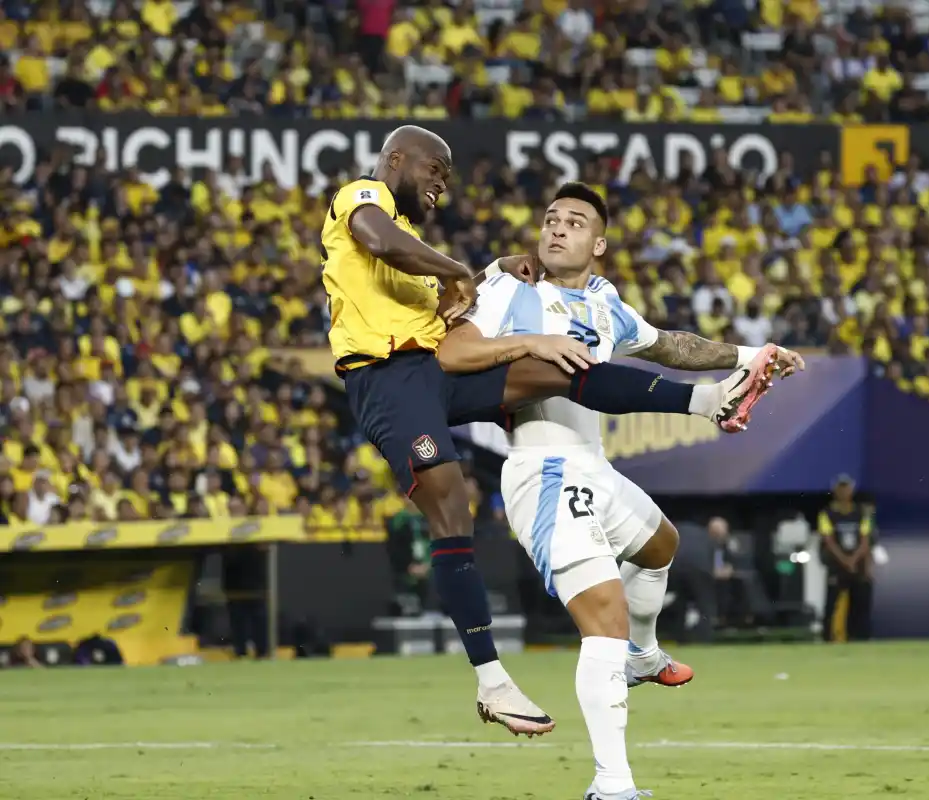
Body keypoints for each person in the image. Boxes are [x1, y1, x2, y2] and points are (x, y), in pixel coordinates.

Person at [320, 127, 781, 737]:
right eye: (435, 171)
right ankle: (492, 681)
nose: (440, 185)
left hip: (432, 370)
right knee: (452, 504)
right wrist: (466, 270)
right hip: (386, 378)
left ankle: (708, 405)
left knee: (559, 367)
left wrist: (484, 270)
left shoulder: (426, 248)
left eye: (447, 178)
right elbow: (379, 242)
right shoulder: (363, 198)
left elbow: (442, 297)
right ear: (396, 161)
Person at [438, 182, 803, 800]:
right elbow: (453, 349)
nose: (556, 229)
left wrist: (750, 352)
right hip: (544, 470)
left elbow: (668, 345)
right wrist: (529, 342)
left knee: (661, 545)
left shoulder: (605, 302)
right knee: (603, 617)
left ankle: (643, 655)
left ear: (598, 244)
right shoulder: (509, 289)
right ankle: (612, 786)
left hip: (595, 466)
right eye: (550, 218)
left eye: (574, 222)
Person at [818, 475, 874, 642]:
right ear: (835, 490)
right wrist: (844, 560)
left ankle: (858, 638)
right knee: (832, 605)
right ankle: (829, 638)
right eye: (840, 488)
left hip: (858, 565)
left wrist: (854, 559)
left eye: (847, 487)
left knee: (860, 604)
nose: (844, 491)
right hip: (836, 565)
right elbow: (829, 541)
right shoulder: (827, 514)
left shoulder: (860, 513)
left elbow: (865, 540)